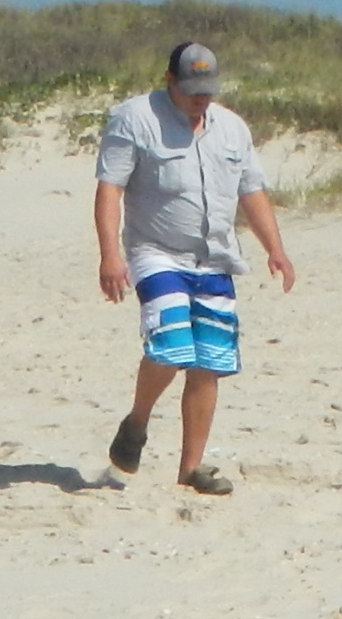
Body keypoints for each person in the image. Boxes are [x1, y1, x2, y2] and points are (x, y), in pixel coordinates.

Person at [93, 40, 296, 492]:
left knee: (209, 361)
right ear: (169, 81)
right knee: (171, 347)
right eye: (191, 89)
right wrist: (110, 255)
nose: (200, 98)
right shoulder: (135, 119)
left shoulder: (232, 129)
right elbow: (110, 189)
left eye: (207, 89)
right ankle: (138, 422)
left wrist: (275, 249)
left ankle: (190, 470)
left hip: (215, 256)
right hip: (156, 252)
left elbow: (252, 191)